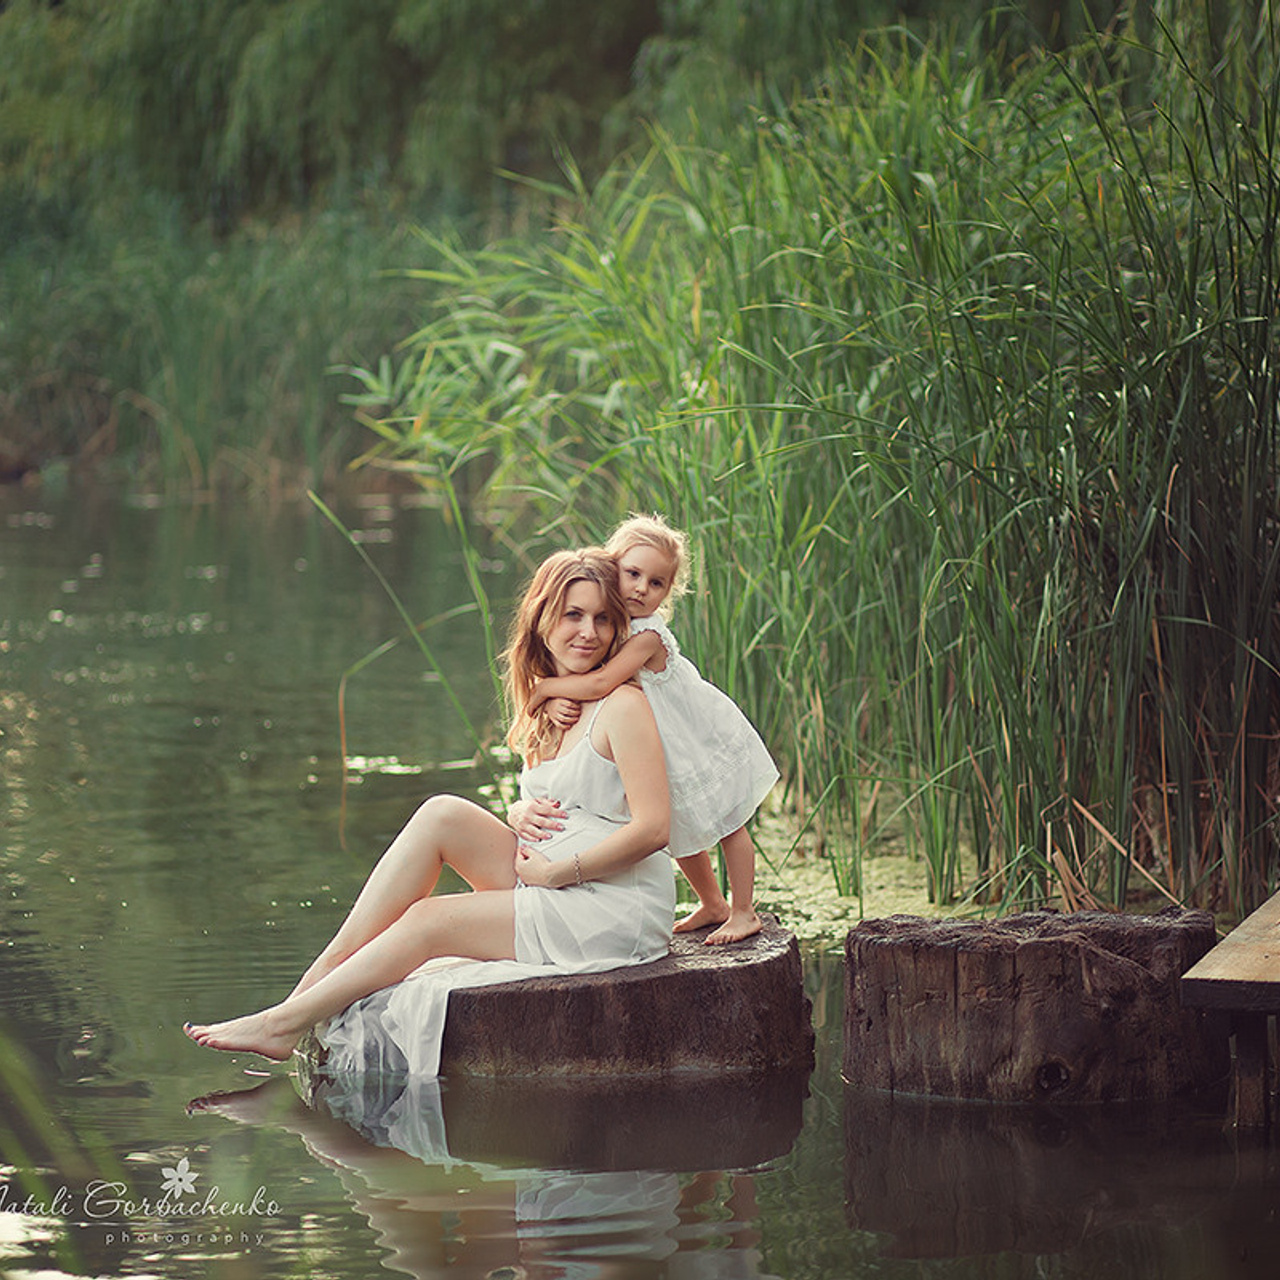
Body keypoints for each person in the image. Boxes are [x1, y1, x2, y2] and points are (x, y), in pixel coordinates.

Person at [184, 548, 676, 1071]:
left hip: (611, 904)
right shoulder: (551, 704)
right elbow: (565, 797)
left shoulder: (623, 705)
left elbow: (654, 829)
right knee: (441, 813)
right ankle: (315, 981)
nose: (589, 632)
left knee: (428, 919)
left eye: (603, 619)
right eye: (573, 614)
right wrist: (517, 813)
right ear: (541, 619)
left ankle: (282, 1025)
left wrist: (558, 872)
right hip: (549, 879)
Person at [514, 514, 778, 945]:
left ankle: (744, 910)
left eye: (657, 583)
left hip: (695, 736)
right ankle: (712, 902)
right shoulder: (613, 626)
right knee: (683, 822)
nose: (641, 588)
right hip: (663, 739)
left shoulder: (647, 635)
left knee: (728, 821)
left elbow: (599, 683)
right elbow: (594, 685)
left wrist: (545, 689)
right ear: (612, 567)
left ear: (669, 592)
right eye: (632, 574)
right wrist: (559, 699)